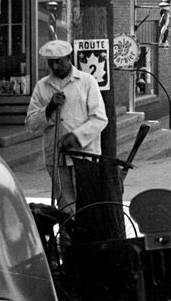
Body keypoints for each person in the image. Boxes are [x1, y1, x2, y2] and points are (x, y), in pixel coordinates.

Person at [25, 40, 108, 214]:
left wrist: (76, 136)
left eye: (59, 61)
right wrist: (48, 109)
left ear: (69, 58)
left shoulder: (86, 81)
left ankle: (85, 240)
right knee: (65, 207)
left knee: (86, 204)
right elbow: (31, 124)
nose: (54, 66)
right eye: (50, 63)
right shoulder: (42, 86)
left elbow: (99, 118)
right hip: (56, 155)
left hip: (84, 155)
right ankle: (66, 240)